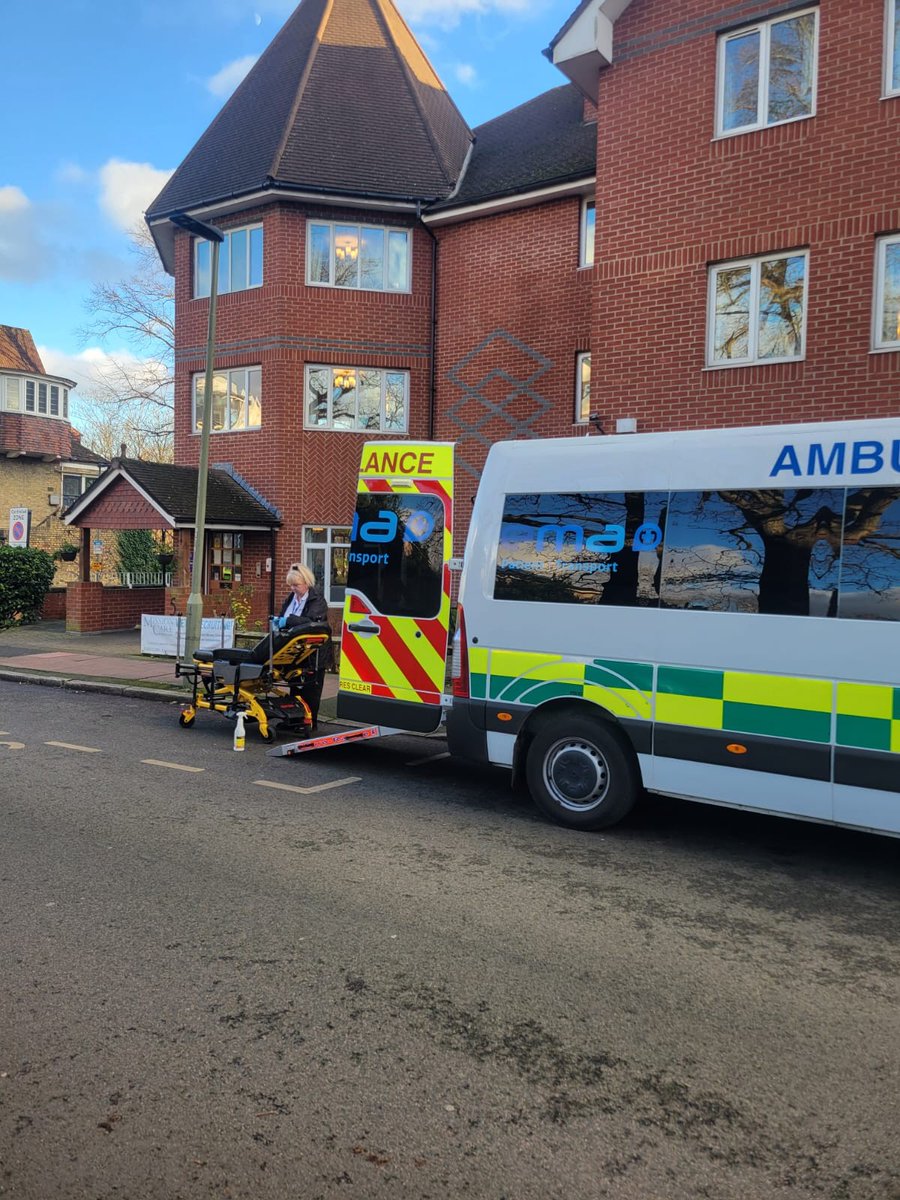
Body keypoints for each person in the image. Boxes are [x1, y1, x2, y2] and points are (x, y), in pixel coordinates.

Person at [272, 564, 330, 730]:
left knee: (311, 690)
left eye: (296, 585)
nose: (293, 589)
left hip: (314, 653)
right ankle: (295, 720)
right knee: (295, 688)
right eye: (291, 585)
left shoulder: (317, 600)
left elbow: (311, 622)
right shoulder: (292, 598)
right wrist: (279, 621)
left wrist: (288, 620)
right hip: (295, 652)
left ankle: (310, 722)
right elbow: (285, 616)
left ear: (306, 583)